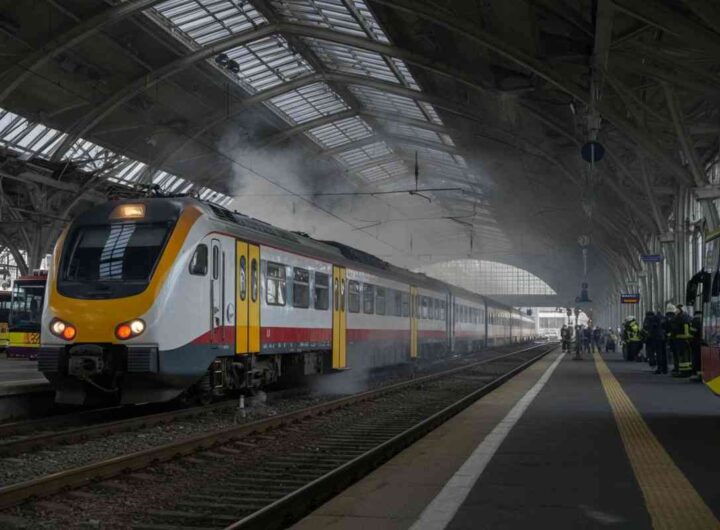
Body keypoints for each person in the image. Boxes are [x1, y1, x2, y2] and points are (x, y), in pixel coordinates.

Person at [670, 304, 693, 377]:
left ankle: (683, 372)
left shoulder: (679, 317)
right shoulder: (688, 317)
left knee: (682, 356)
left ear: (680, 310)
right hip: (687, 339)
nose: (676, 311)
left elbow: (675, 329)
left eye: (677, 309)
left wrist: (672, 336)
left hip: (680, 339)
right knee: (687, 356)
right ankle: (688, 371)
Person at [689, 310, 703, 382]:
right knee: (700, 359)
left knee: (695, 359)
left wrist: (689, 340)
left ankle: (695, 375)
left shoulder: (695, 321)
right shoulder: (703, 320)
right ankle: (700, 375)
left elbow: (692, 332)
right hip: (702, 342)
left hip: (695, 342)